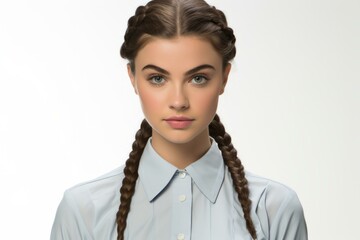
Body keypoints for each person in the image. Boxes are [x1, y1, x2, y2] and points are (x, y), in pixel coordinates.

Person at [50, 0, 308, 239]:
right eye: (158, 78)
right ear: (133, 78)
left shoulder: (274, 209)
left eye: (198, 78)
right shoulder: (84, 211)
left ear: (224, 78)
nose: (178, 101)